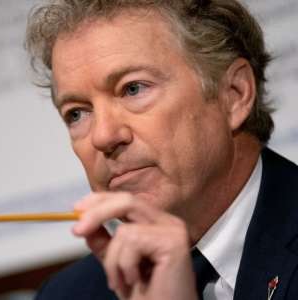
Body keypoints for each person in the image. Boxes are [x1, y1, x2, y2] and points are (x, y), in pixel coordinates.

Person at [25, 0, 298, 299]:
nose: (103, 136)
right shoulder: (69, 294)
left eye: (133, 89)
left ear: (234, 94)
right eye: (76, 113)